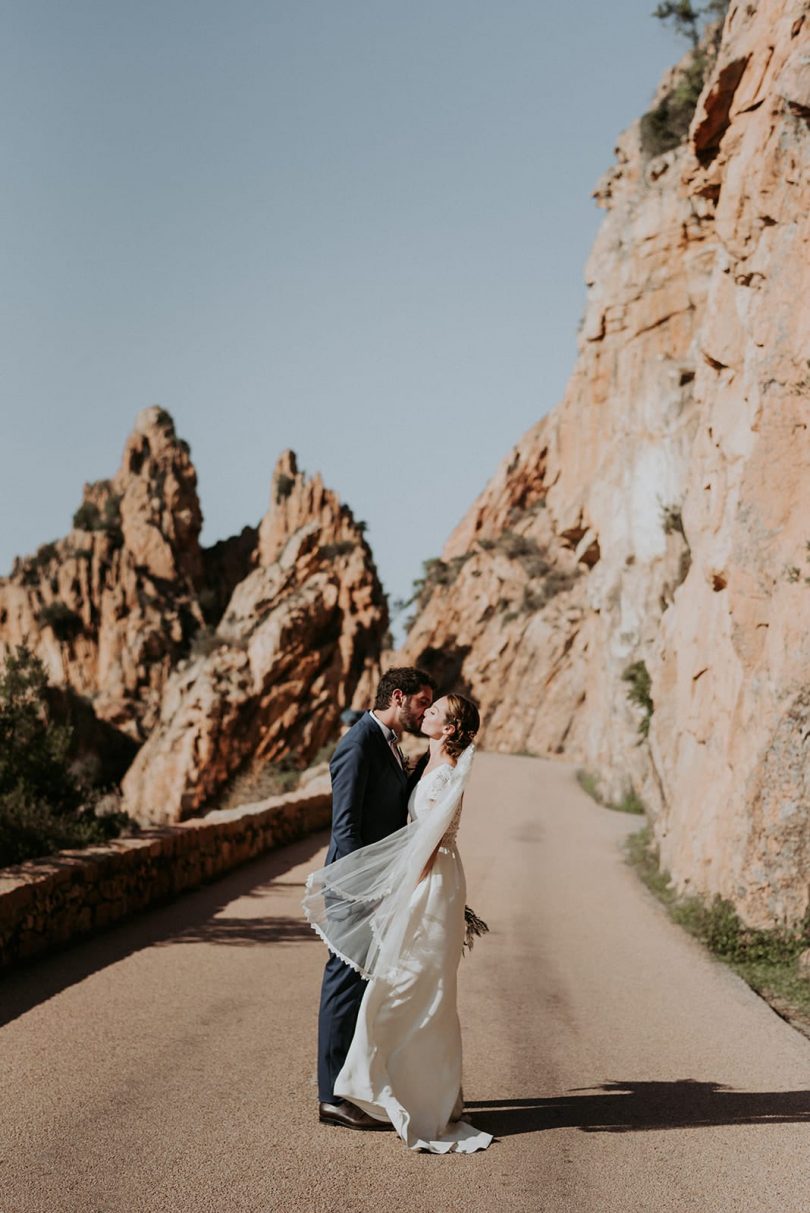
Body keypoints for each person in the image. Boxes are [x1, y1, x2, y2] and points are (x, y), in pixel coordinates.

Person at [304, 692, 493, 1154]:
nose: (424, 713)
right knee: (405, 987)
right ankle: (391, 1087)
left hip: (428, 885)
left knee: (412, 987)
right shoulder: (420, 763)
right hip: (423, 881)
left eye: (434, 711)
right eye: (424, 705)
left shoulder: (446, 773)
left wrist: (397, 893)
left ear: (449, 729)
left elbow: (427, 844)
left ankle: (415, 1094)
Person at [314, 667, 436, 1130]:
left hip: (376, 884)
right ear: (399, 697)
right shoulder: (357, 743)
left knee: (362, 984)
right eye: (422, 702)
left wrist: (429, 763)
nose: (424, 711)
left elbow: (391, 805)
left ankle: (348, 1085)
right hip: (354, 886)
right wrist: (363, 887)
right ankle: (330, 1096)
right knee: (343, 985)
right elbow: (344, 826)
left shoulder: (386, 741)